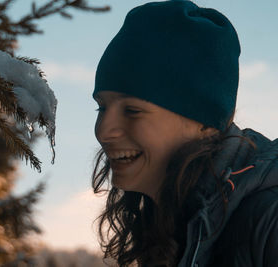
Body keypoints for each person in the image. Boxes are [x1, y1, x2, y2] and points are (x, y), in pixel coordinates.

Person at [91, 1, 278, 266]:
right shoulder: (171, 225)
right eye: (101, 107)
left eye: (132, 110)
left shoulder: (268, 221)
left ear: (204, 123)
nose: (104, 131)